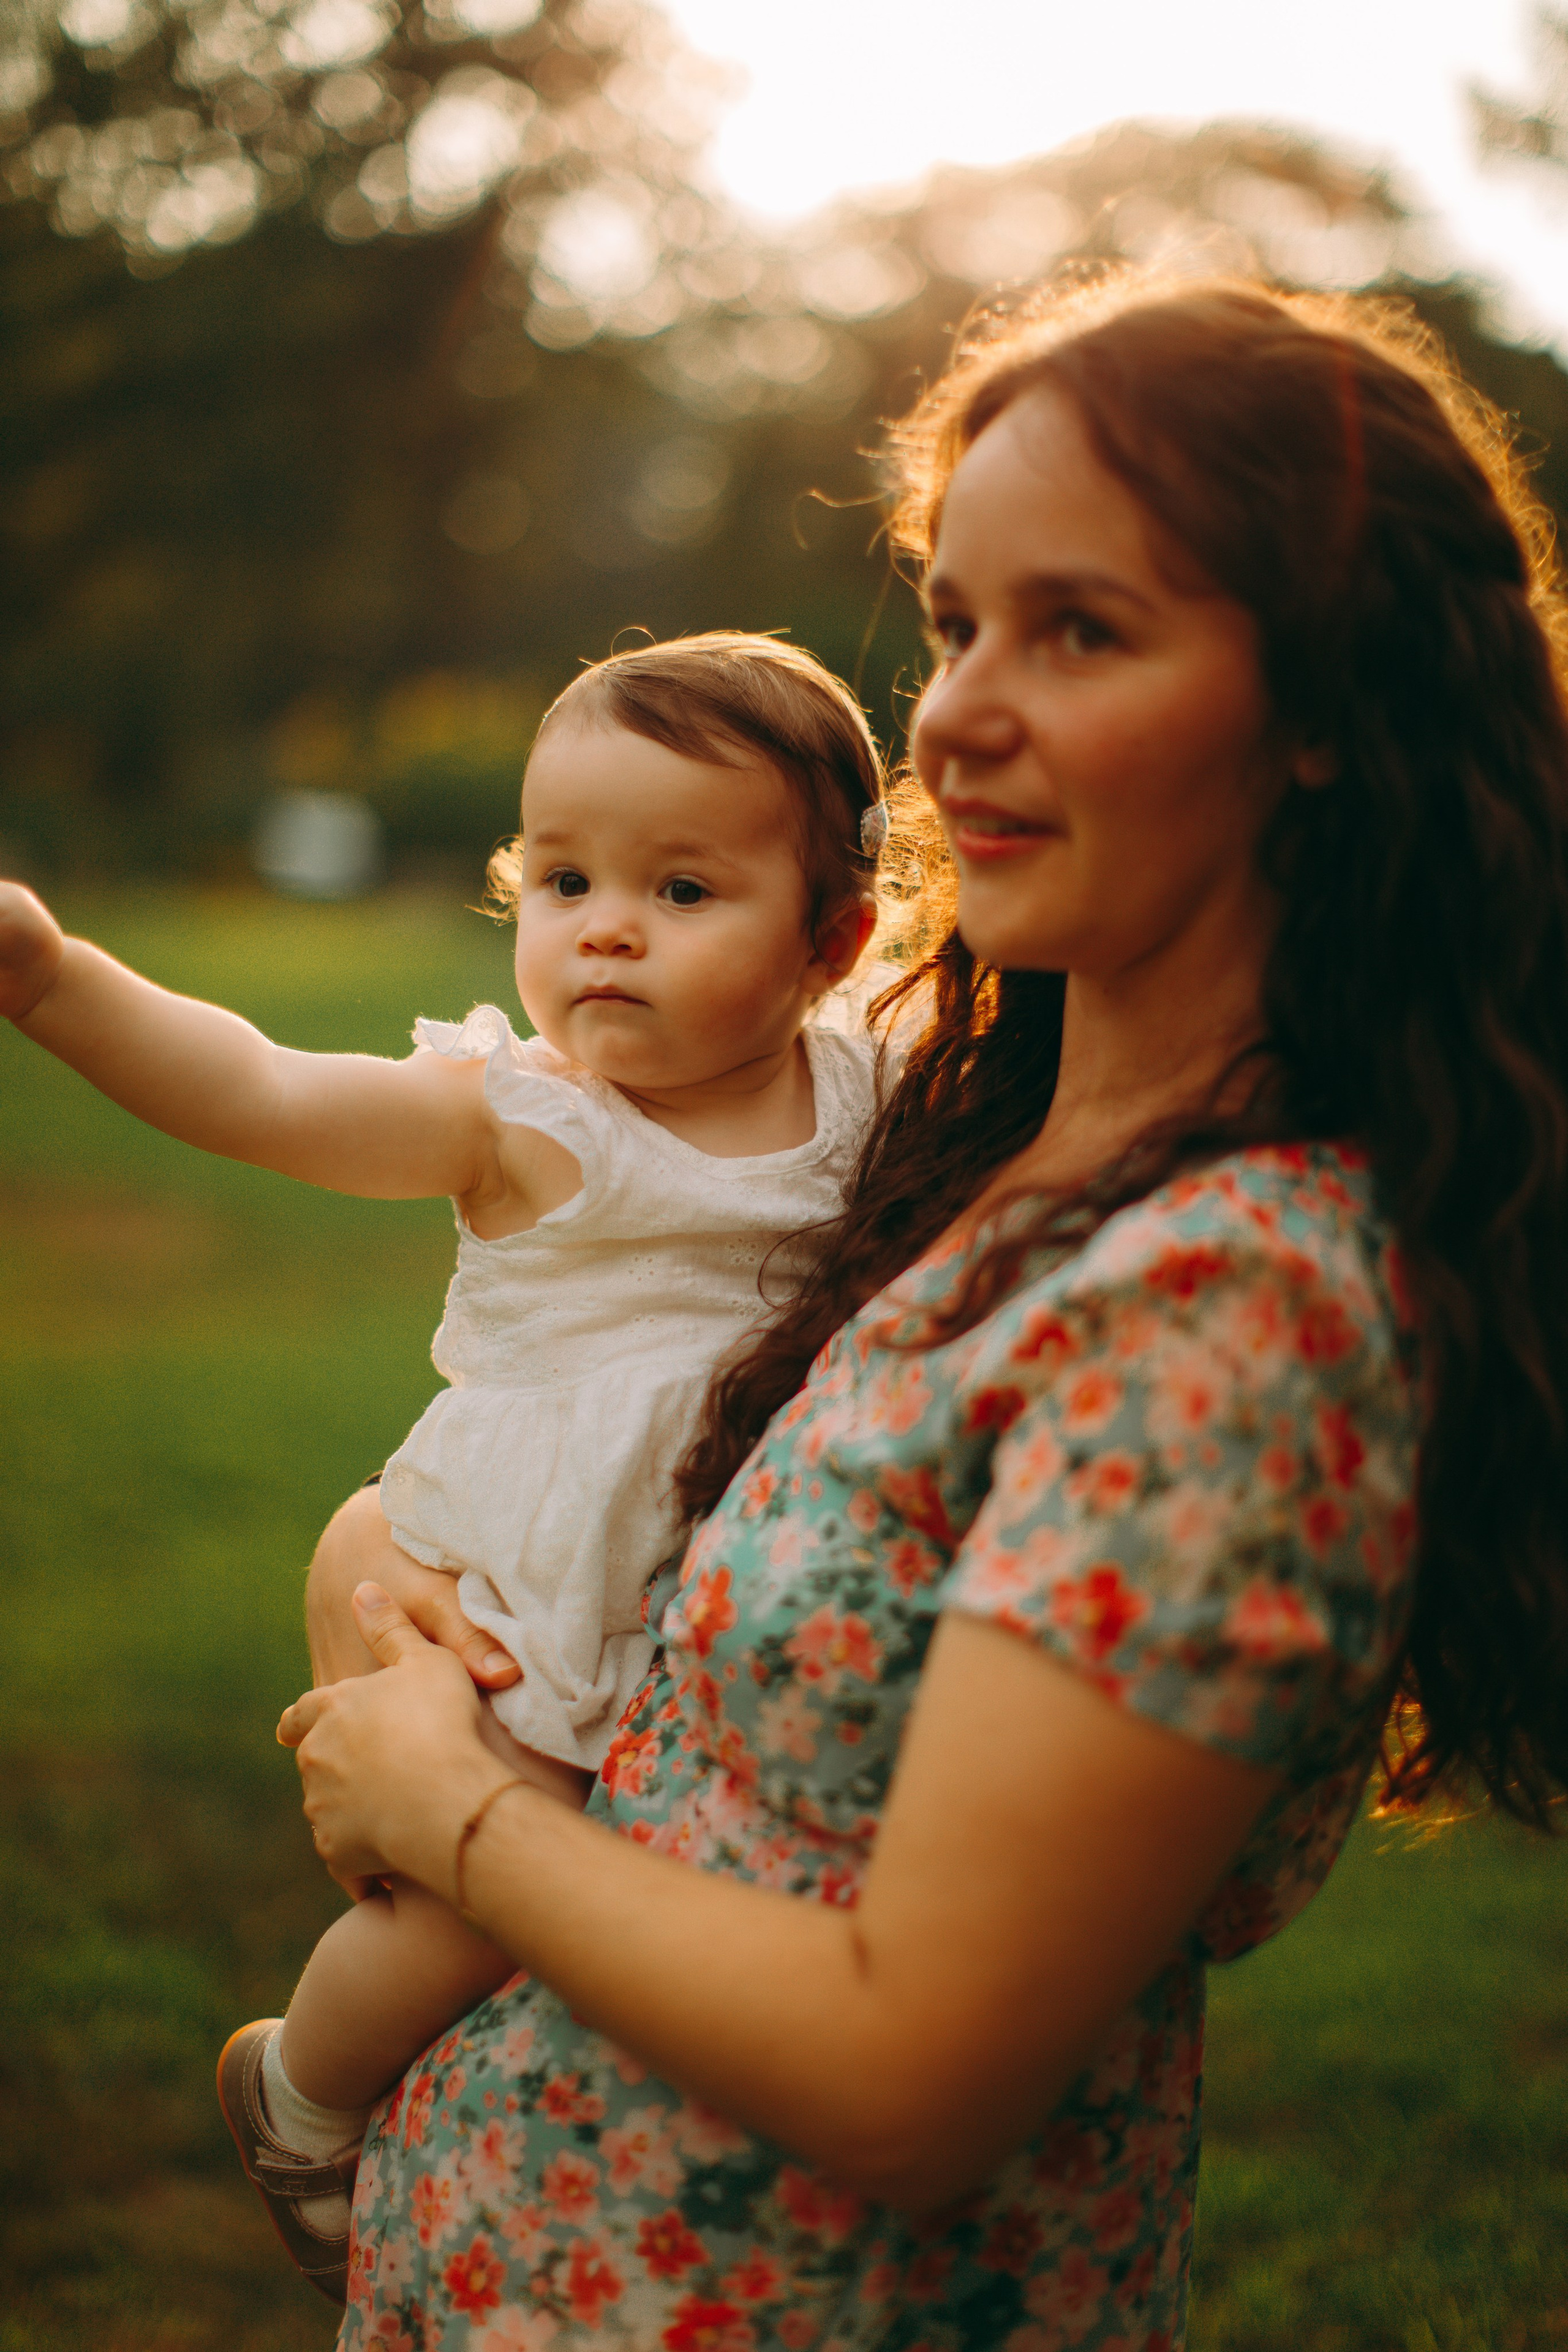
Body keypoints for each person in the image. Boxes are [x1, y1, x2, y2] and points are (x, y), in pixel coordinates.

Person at [287, 268, 1568, 2352]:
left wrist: (453, 1815)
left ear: (1333, 707)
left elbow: (916, 2075)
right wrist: (386, 1574)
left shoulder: (1237, 1306)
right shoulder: (953, 1139)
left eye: (1082, 630)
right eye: (957, 618)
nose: (958, 707)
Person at [0, 633, 918, 2302]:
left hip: (698, 1569)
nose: (607, 926)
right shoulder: (523, 1119)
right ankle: (300, 2091)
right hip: (522, 1576)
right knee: (493, 1890)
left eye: (685, 887)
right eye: (564, 877)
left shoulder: (869, 1088)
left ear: (831, 938)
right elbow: (269, 1089)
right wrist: (57, 983)